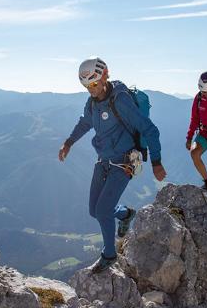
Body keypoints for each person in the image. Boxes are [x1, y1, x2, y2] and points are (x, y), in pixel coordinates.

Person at [59, 57, 166, 273]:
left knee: (103, 210)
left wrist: (156, 161)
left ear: (105, 75)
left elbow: (149, 129)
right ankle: (125, 214)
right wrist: (69, 142)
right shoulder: (93, 103)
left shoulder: (120, 101)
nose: (91, 89)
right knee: (94, 210)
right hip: (104, 161)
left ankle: (109, 255)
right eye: (87, 86)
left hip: (123, 162)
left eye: (94, 83)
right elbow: (85, 122)